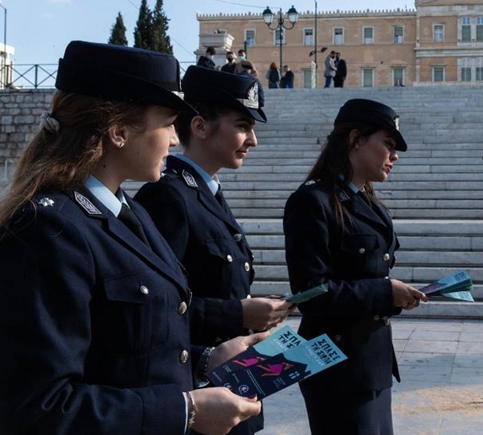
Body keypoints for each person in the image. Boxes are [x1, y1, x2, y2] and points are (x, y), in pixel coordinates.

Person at [0, 41, 268, 435]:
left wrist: (206, 359)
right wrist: (185, 411)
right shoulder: (48, 229)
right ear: (120, 131)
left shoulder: (131, 212)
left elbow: (128, 350)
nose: (175, 140)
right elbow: (38, 406)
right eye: (166, 124)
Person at [134, 65, 295, 434]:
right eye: (242, 125)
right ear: (200, 126)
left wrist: (253, 308)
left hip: (235, 383)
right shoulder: (167, 196)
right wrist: (238, 313)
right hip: (199, 392)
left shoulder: (207, 192)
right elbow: (158, 309)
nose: (252, 140)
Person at [283, 99, 427, 435]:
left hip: (372, 361)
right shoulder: (312, 201)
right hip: (334, 365)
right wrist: (385, 292)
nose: (394, 156)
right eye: (388, 145)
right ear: (355, 139)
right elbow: (311, 293)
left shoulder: (369, 203)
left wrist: (395, 295)